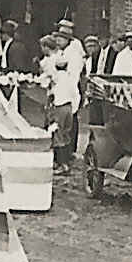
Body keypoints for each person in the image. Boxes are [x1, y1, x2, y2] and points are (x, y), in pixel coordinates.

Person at [40, 20, 86, 167]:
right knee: (61, 129)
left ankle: (63, 159)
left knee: (61, 129)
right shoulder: (61, 53)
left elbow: (73, 77)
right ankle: (61, 158)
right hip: (63, 94)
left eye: (61, 38)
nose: (58, 41)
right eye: (57, 38)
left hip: (65, 94)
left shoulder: (74, 53)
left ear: (67, 39)